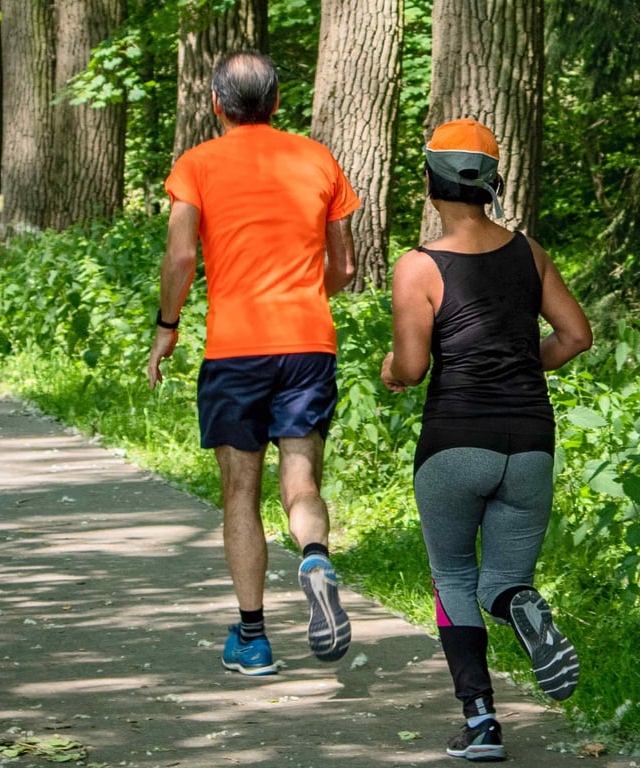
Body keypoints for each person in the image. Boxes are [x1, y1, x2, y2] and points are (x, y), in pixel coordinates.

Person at [381, 118, 592, 762]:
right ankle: (522, 604)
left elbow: (412, 368)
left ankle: (480, 723)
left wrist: (390, 370)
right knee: (501, 581)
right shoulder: (528, 252)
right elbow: (576, 336)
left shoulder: (418, 266)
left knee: (452, 578)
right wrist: (522, 363)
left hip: (454, 441)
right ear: (490, 182)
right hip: (529, 442)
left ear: (430, 182)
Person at [147, 51, 360, 675]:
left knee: (241, 492)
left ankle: (254, 638)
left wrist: (167, 326)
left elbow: (182, 258)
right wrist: (305, 298)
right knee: (302, 477)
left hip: (236, 349)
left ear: (217, 103)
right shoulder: (316, 158)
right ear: (275, 102)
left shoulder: (196, 165)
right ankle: (315, 557)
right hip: (307, 344)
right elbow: (342, 268)